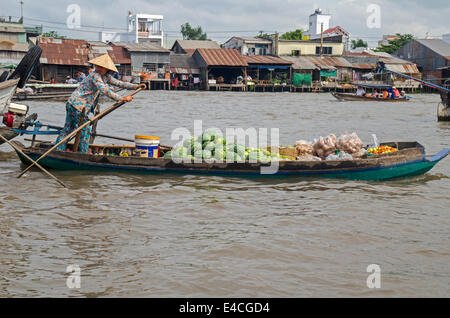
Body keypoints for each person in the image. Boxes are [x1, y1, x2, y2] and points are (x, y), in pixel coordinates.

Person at [55, 54, 146, 153]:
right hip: (77, 105)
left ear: (107, 69)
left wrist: (136, 86)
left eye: (102, 67)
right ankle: (83, 153)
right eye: (98, 66)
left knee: (69, 129)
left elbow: (120, 83)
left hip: (74, 104)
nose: (99, 68)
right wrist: (122, 98)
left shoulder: (106, 77)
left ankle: (58, 149)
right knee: (84, 130)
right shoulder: (95, 76)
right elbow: (104, 90)